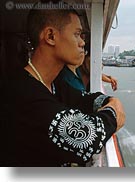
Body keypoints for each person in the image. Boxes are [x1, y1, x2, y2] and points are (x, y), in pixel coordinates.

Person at [0, 2, 125, 166]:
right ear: (50, 36)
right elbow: (89, 138)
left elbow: (84, 100)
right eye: (77, 34)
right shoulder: (22, 93)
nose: (82, 43)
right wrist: (113, 110)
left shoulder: (54, 84)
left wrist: (109, 101)